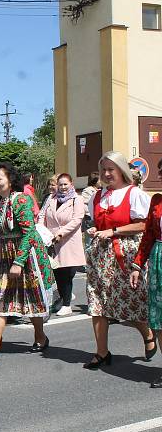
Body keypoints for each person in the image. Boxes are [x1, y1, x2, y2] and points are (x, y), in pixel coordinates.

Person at [0, 162, 54, 359]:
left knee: (32, 298)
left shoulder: (21, 200)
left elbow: (29, 233)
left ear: (10, 180)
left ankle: (40, 336)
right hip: (3, 255)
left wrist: (19, 261)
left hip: (25, 256)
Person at [83, 151, 153, 370]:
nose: (106, 173)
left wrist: (114, 231)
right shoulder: (96, 196)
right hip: (100, 256)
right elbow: (94, 223)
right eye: (103, 169)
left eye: (111, 169)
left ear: (121, 170)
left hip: (127, 255)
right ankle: (102, 352)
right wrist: (95, 228)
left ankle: (147, 333)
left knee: (131, 302)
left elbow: (144, 225)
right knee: (97, 304)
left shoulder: (134, 194)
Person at [130, 164, 162, 386]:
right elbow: (149, 235)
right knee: (159, 320)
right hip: (159, 259)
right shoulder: (157, 201)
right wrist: (137, 265)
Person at [38, 173, 85, 317]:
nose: (63, 187)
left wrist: (61, 233)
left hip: (68, 240)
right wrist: (41, 230)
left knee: (66, 273)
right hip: (51, 240)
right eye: (60, 184)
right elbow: (41, 215)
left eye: (66, 184)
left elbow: (77, 219)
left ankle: (66, 304)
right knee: (57, 272)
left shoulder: (77, 199)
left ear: (71, 184)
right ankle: (63, 298)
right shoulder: (51, 198)